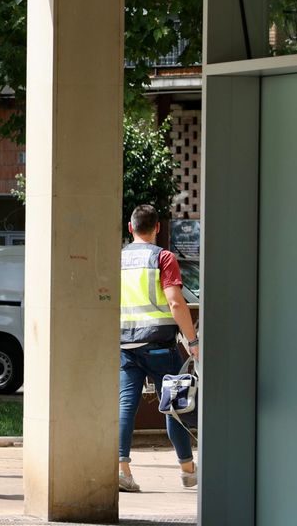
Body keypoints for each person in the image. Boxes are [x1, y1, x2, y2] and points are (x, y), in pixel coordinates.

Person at [118, 204, 200, 493]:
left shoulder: (118, 259)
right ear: (157, 228)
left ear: (130, 228)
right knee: (174, 406)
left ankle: (123, 470)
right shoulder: (163, 257)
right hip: (159, 346)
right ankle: (188, 471)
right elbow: (175, 302)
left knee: (126, 405)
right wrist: (193, 343)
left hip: (126, 345)